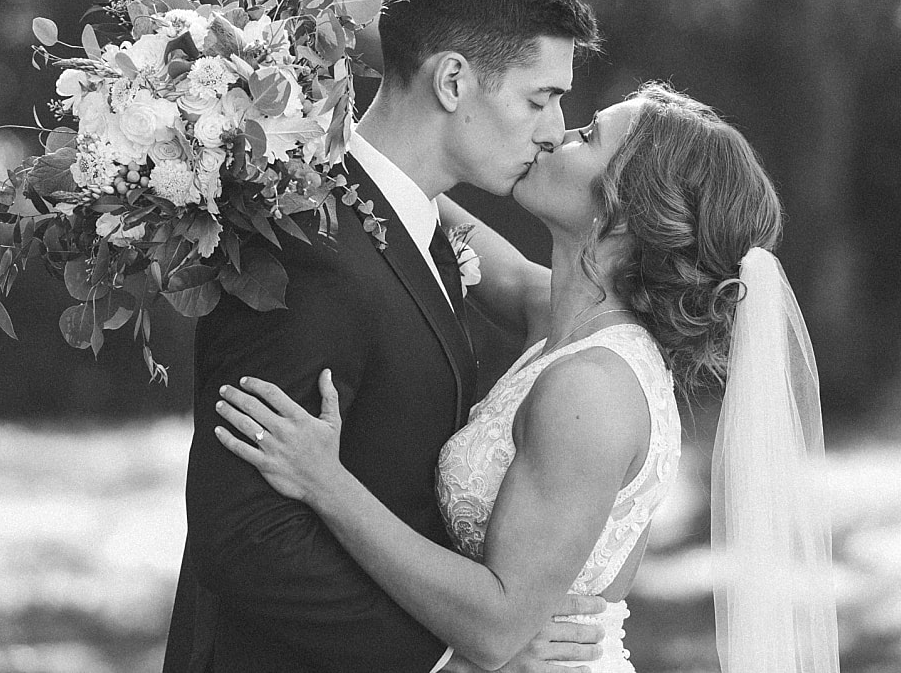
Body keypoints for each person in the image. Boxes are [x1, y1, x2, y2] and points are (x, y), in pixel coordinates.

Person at [215, 83, 842, 672]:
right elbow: (418, 213)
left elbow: (496, 627)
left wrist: (327, 483)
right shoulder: (562, 314)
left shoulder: (592, 389)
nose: (556, 135)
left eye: (588, 137)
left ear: (623, 211)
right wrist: (316, 119)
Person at [163, 0, 607, 672]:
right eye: (541, 98)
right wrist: (445, 655)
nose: (555, 130)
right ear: (455, 81)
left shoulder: (417, 226)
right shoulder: (304, 246)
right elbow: (243, 535)